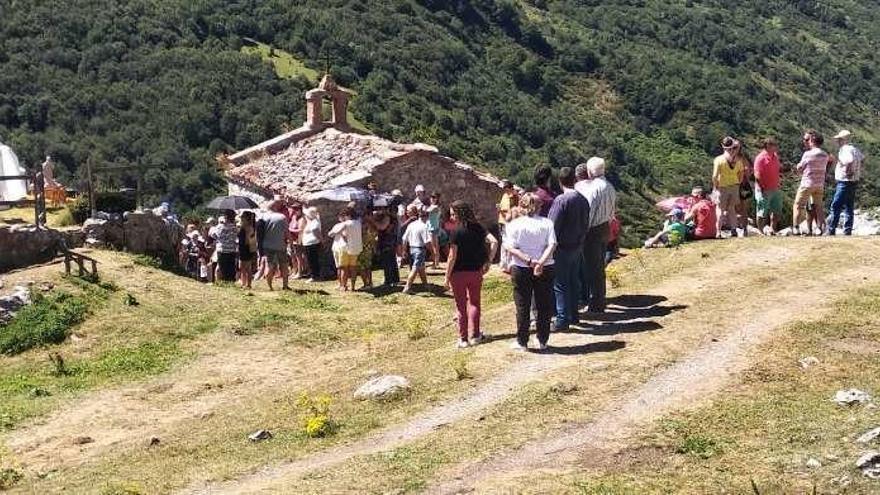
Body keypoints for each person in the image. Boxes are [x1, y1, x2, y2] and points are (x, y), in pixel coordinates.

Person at [504, 193, 557, 351]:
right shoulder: (547, 223)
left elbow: (510, 247)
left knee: (522, 305)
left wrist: (527, 260)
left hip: (521, 267)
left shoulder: (514, 225)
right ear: (539, 207)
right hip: (545, 266)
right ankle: (542, 340)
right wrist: (540, 262)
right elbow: (552, 244)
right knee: (543, 305)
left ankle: (522, 340)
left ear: (521, 206)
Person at [445, 201, 498, 348]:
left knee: (461, 306)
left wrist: (446, 276)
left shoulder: (456, 232)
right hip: (475, 271)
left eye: (453, 214)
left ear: (459, 214)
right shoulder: (479, 228)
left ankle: (463, 339)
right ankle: (475, 335)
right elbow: (494, 242)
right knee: (475, 303)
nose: (451, 217)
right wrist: (488, 261)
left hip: (458, 274)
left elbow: (452, 257)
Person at [548, 167, 590, 331]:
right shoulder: (583, 199)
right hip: (577, 247)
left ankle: (562, 319)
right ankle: (574, 315)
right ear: (574, 180)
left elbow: (552, 225)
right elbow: (586, 224)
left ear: (560, 181)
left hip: (562, 248)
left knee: (560, 284)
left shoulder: (561, 200)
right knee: (574, 282)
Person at [576, 157, 616, 314]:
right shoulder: (610, 187)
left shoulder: (594, 188)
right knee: (599, 266)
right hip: (605, 228)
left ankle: (596, 303)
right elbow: (612, 212)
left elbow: (589, 213)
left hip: (592, 231)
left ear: (590, 171)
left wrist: (581, 233)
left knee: (591, 268)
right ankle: (600, 298)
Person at [792, 129, 832, 235]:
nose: (807, 142)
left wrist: (797, 167)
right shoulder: (825, 155)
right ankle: (820, 228)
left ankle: (795, 227)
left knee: (798, 205)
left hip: (807, 183)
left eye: (808, 140)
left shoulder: (807, 154)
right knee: (818, 206)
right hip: (819, 184)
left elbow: (800, 168)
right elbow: (829, 163)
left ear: (813, 141)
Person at [828, 130, 865, 236]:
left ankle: (831, 229)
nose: (838, 141)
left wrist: (848, 171)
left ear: (842, 140)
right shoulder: (855, 149)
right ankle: (847, 229)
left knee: (836, 205)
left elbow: (849, 161)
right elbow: (862, 159)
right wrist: (857, 171)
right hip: (854, 181)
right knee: (849, 206)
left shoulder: (845, 149)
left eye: (839, 139)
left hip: (844, 181)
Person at [712, 137, 747, 237]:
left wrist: (715, 187)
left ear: (723, 146)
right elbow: (741, 173)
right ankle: (734, 229)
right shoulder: (738, 160)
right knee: (732, 209)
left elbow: (715, 176)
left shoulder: (719, 160)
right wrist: (738, 183)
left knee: (720, 209)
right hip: (734, 186)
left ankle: (718, 232)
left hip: (722, 186)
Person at [753, 138, 783, 234]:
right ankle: (760, 231)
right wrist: (762, 187)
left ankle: (772, 229)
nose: (776, 147)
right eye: (774, 145)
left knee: (776, 211)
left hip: (775, 188)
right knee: (762, 212)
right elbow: (757, 175)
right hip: (764, 189)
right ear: (768, 146)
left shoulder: (775, 156)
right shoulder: (760, 158)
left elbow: (778, 170)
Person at [328, 207, 362, 291]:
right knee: (353, 267)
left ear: (348, 215)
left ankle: (343, 286)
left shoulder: (346, 224)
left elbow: (331, 234)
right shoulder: (358, 223)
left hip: (344, 248)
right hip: (355, 247)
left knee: (343, 267)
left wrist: (338, 232)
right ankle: (353, 286)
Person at [401, 205, 431, 294]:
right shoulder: (424, 226)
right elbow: (427, 242)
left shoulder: (411, 224)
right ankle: (407, 287)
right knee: (415, 268)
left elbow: (404, 239)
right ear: (426, 217)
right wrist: (432, 252)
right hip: (420, 249)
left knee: (421, 267)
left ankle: (425, 284)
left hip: (412, 249)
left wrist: (404, 250)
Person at [262, 200, 291, 290]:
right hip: (280, 245)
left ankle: (269, 286)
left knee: (269, 265)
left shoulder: (263, 217)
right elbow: (286, 231)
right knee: (284, 265)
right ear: (275, 207)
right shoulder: (281, 217)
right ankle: (285, 286)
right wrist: (291, 241)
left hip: (267, 245)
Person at [373, 199, 400, 287]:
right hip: (388, 242)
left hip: (388, 243)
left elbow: (382, 227)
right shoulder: (390, 218)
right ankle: (394, 280)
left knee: (388, 262)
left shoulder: (389, 218)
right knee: (391, 261)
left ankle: (389, 281)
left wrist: (372, 221)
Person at [211, 209, 239, 283]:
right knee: (230, 267)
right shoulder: (234, 227)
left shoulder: (220, 226)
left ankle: (221, 282)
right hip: (232, 249)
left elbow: (213, 235)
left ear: (225, 217)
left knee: (221, 267)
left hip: (222, 249)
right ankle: (230, 281)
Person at [496, 180, 518, 270]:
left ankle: (507, 264)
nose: (504, 190)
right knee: (503, 243)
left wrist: (500, 210)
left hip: (509, 222)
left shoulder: (514, 197)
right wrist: (500, 208)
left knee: (508, 243)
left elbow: (512, 211)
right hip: (502, 221)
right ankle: (503, 263)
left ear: (510, 188)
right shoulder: (505, 195)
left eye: (506, 188)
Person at [301, 206, 323, 282]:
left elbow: (316, 232)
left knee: (312, 260)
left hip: (312, 244)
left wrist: (321, 241)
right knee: (312, 260)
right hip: (310, 244)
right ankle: (314, 275)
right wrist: (303, 206)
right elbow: (305, 213)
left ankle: (314, 276)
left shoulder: (314, 222)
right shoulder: (314, 220)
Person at [357, 211, 378, 289]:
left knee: (362, 267)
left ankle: (366, 284)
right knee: (368, 267)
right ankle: (370, 283)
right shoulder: (373, 226)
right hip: (369, 248)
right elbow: (375, 238)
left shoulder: (364, 226)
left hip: (362, 248)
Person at [238, 211, 258, 289]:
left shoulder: (249, 227)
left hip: (246, 249)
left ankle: (248, 284)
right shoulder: (243, 226)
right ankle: (244, 283)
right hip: (242, 248)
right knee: (242, 267)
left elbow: (248, 240)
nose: (241, 218)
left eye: (243, 217)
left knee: (247, 267)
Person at [287, 203, 305, 278]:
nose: (294, 211)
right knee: (292, 256)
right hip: (292, 239)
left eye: (296, 209)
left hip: (298, 239)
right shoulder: (294, 217)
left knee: (299, 257)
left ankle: (300, 272)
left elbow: (301, 230)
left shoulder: (302, 219)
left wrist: (290, 230)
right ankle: (294, 271)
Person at [426, 193, 443, 269]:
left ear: (437, 199)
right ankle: (435, 262)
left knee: (434, 247)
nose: (432, 199)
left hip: (433, 228)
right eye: (431, 197)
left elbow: (426, 211)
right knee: (434, 246)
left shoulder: (436, 207)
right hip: (431, 228)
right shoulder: (432, 206)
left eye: (434, 197)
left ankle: (436, 263)